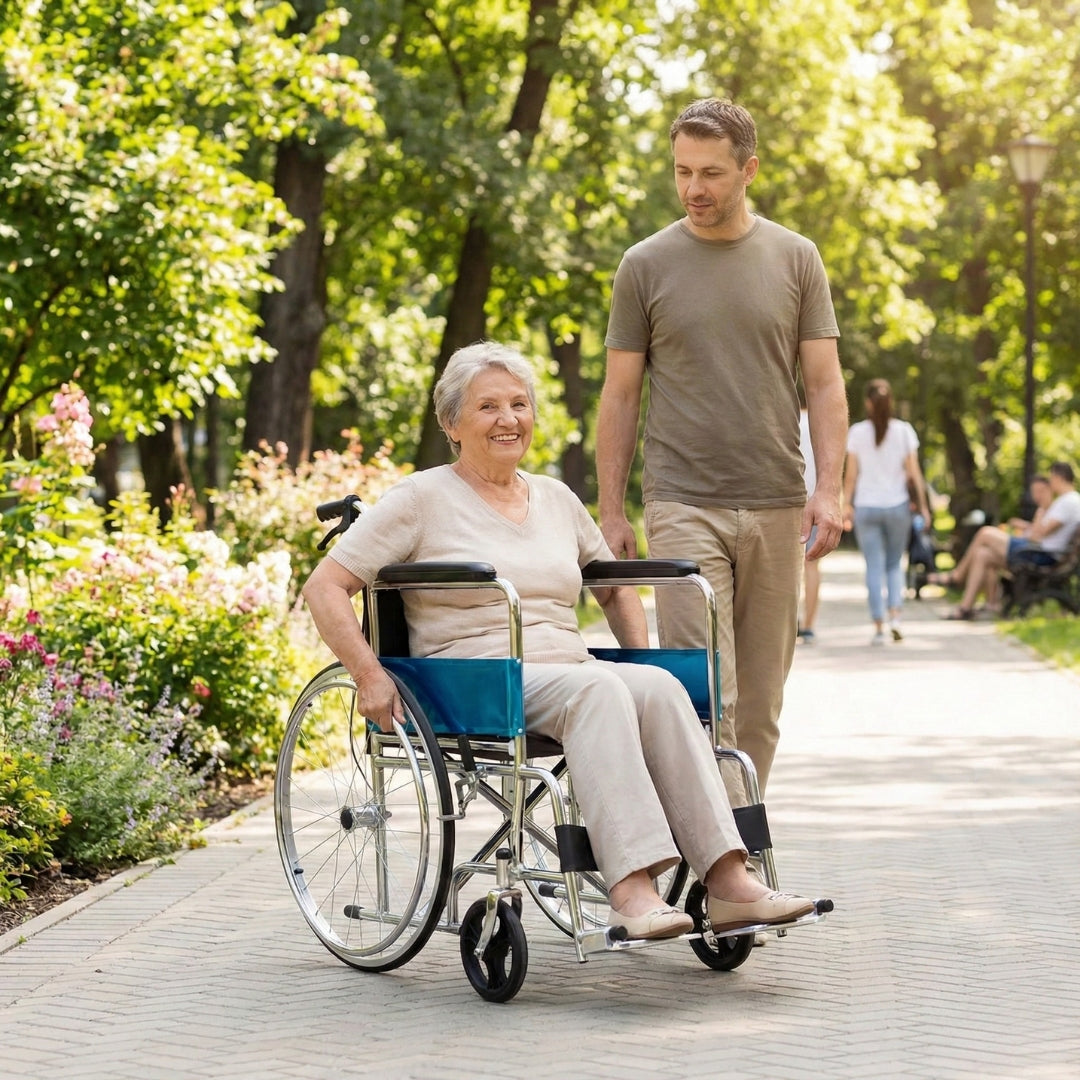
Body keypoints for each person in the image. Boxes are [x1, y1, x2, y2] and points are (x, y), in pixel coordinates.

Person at [301, 341, 815, 941]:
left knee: (658, 686)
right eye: (488, 406)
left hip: (566, 667)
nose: (508, 419)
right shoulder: (421, 498)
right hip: (475, 677)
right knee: (596, 690)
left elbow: (615, 588)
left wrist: (639, 657)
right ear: (451, 423)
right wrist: (368, 674)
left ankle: (727, 881)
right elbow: (325, 587)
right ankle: (630, 890)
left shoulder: (555, 497)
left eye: (519, 404)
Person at [597, 98, 848, 804]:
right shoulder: (644, 265)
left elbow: (825, 385)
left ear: (749, 169)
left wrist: (829, 489)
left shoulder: (797, 258)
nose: (694, 189)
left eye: (710, 172)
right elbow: (619, 396)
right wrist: (613, 510)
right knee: (712, 696)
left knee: (762, 706)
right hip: (683, 502)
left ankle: (736, 846)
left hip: (775, 504)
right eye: (682, 172)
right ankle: (726, 873)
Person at [930, 462, 1080, 620]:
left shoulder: (1068, 501)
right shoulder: (1066, 501)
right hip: (1038, 551)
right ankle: (966, 607)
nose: (1050, 482)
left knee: (985, 532)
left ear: (1058, 477)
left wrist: (1041, 510)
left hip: (1041, 554)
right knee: (982, 554)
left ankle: (957, 576)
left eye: (1051, 478)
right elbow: (1044, 531)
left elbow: (1039, 534)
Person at [843, 379, 931, 645]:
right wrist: (925, 508)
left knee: (874, 567)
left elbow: (851, 477)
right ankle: (895, 617)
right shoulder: (904, 432)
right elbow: (915, 475)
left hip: (867, 508)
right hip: (898, 508)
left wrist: (845, 506)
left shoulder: (857, 432)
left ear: (869, 404)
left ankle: (879, 627)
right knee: (894, 565)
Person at [797, 404, 821, 643]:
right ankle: (809, 623)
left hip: (786, 501)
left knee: (784, 567)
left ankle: (790, 621)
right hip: (814, 499)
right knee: (811, 565)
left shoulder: (786, 417)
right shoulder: (818, 421)